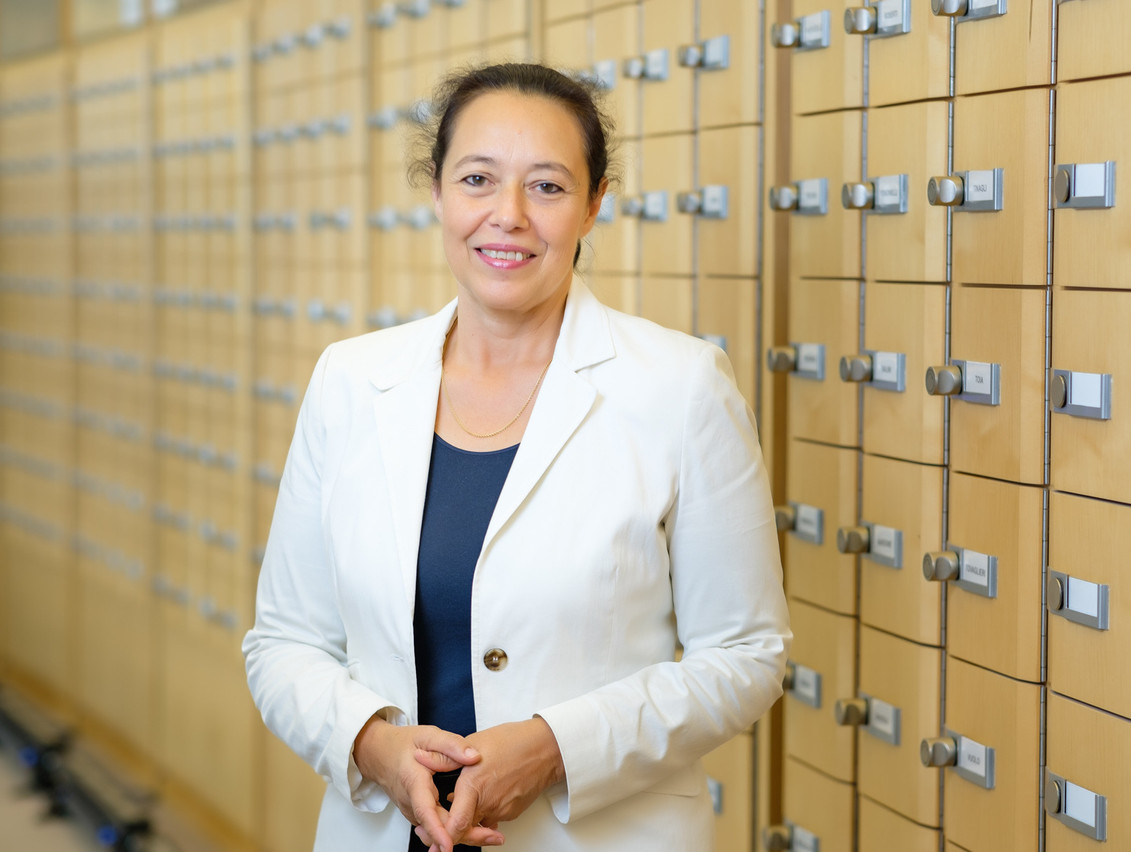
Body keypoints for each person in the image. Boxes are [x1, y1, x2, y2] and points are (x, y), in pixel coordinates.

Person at [242, 62, 790, 852]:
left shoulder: (680, 388)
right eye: (477, 179)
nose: (508, 217)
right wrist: (372, 744)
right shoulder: (351, 381)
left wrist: (554, 748)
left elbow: (745, 655)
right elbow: (284, 641)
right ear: (437, 192)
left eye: (547, 187)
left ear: (594, 204)